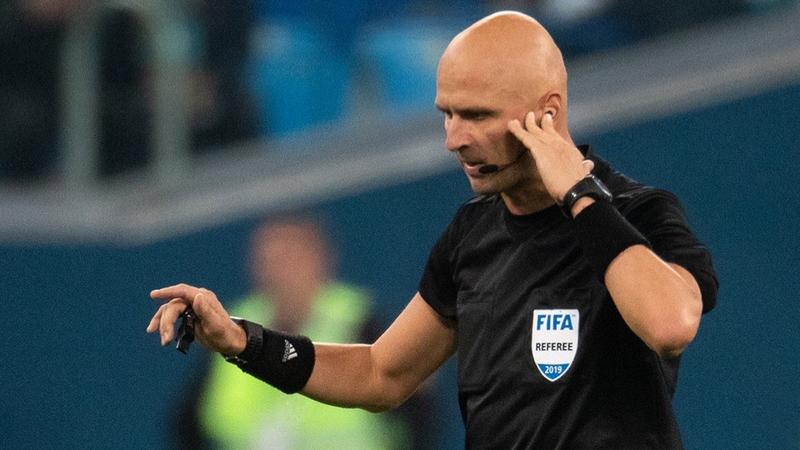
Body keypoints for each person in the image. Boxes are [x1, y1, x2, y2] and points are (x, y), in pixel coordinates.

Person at [148, 11, 718, 448]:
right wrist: (245, 342)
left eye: (477, 115)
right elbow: (381, 373)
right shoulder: (472, 234)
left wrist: (579, 195)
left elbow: (670, 325)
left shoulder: (638, 213)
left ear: (547, 112)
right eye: (447, 114)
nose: (454, 139)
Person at [174, 216, 436, 449]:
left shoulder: (358, 320)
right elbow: (187, 423)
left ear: (318, 260)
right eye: (267, 262)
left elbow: (419, 411)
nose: (276, 275)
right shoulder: (232, 327)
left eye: (288, 260)